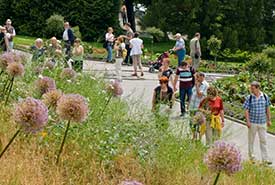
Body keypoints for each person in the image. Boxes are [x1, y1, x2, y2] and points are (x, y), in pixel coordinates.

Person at [243, 81, 272, 165]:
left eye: (252, 88)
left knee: (263, 141)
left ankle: (265, 159)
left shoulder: (265, 97)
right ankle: (251, 157)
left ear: (257, 88)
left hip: (262, 122)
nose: (251, 90)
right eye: (251, 88)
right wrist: (247, 121)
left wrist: (269, 120)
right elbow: (246, 110)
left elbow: (267, 109)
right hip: (253, 123)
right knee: (251, 140)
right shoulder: (249, 97)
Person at [189, 72, 209, 139]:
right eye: (196, 77)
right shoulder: (197, 83)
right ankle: (194, 136)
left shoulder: (205, 85)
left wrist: (197, 86)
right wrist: (189, 103)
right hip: (192, 106)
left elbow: (199, 95)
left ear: (202, 77)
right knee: (191, 123)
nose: (197, 79)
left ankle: (199, 137)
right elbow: (192, 93)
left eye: (198, 77)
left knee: (198, 123)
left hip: (199, 107)